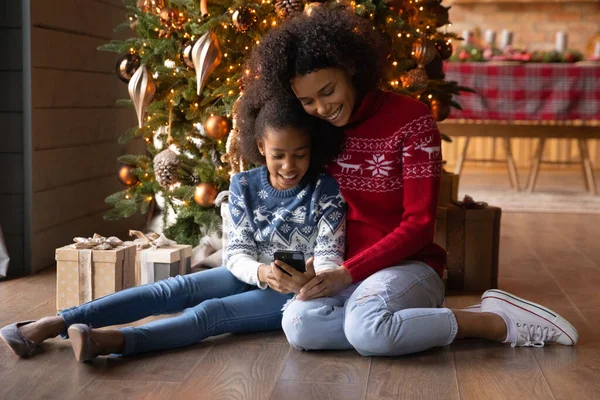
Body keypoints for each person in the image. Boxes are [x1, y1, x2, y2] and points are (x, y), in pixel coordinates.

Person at [242, 8, 578, 355]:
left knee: (368, 330)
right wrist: (308, 266)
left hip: (409, 266)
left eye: (328, 91)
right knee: (299, 326)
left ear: (351, 68)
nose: (322, 108)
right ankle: (388, 325)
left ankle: (493, 321)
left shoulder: (412, 121)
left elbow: (419, 226)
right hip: (343, 269)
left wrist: (346, 273)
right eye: (307, 101)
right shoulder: (314, 132)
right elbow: (311, 211)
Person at [0, 95, 347, 361]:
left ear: (311, 150)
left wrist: (312, 278)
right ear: (261, 148)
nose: (289, 166)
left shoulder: (325, 189)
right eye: (278, 155)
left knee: (212, 314)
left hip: (295, 294)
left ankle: (112, 342)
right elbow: (237, 252)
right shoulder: (244, 184)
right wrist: (261, 271)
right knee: (172, 289)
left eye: (300, 155)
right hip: (251, 272)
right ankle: (55, 323)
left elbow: (331, 256)